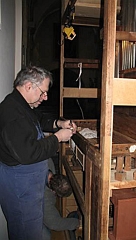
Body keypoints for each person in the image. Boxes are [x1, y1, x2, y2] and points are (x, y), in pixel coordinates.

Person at [0, 66, 77, 240]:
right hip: (21, 187)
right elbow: (29, 153)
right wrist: (57, 138)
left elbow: (38, 119)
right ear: (28, 86)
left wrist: (59, 123)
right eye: (43, 92)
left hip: (27, 184)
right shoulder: (12, 113)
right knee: (27, 233)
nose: (46, 97)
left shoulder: (21, 104)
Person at [43, 158, 80, 240]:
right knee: (45, 236)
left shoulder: (48, 162)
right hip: (25, 208)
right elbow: (55, 224)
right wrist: (77, 223)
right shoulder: (45, 199)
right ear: (54, 192)